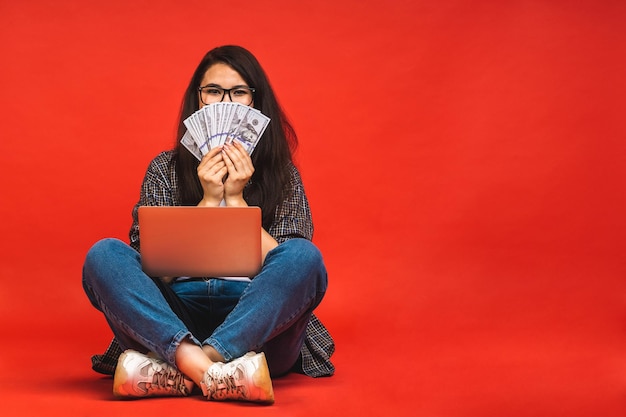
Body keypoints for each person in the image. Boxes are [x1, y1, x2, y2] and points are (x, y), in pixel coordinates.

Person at [82, 45, 334, 404]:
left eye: (238, 92)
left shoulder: (283, 175)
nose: (223, 101)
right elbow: (153, 274)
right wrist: (206, 200)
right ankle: (209, 370)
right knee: (104, 255)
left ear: (254, 102)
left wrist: (236, 202)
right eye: (213, 91)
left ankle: (193, 367)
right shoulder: (164, 170)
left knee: (304, 256)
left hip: (257, 326)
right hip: (171, 317)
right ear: (198, 101)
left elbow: (291, 274)